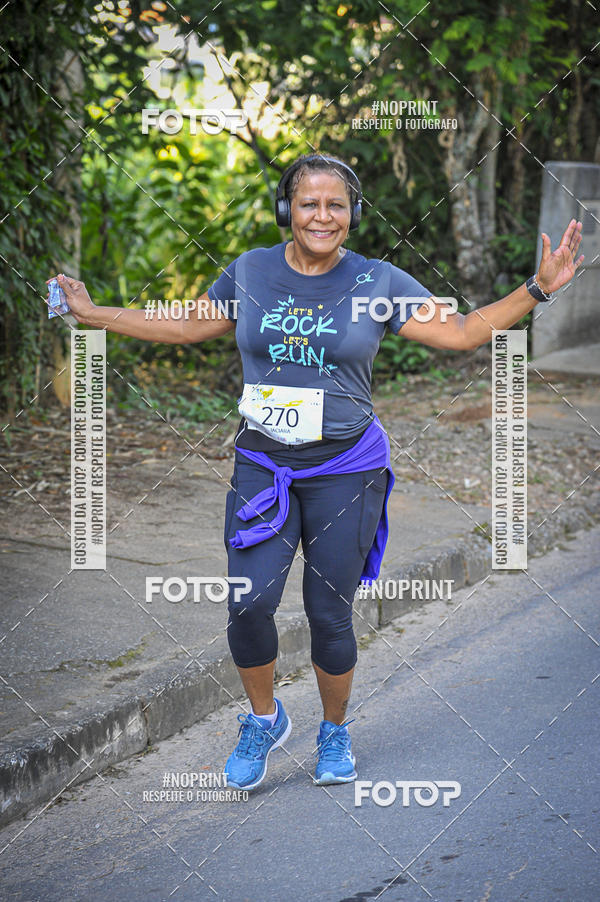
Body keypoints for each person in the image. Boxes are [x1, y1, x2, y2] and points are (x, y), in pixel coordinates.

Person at [48, 152, 583, 792]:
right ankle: (264, 719)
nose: (322, 216)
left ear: (353, 214)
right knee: (250, 606)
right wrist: (93, 314)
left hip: (346, 470)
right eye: (309, 203)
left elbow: (465, 331)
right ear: (287, 211)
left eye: (336, 205)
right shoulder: (250, 271)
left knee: (329, 614)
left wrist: (539, 288)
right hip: (262, 464)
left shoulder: (379, 282)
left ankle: (334, 730)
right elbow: (187, 327)